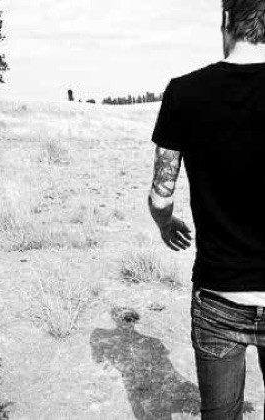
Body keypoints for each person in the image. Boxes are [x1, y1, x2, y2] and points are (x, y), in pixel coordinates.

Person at [148, 1, 265, 418]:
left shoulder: (184, 92)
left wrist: (165, 224)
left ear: (226, 22)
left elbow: (161, 197)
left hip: (218, 295)